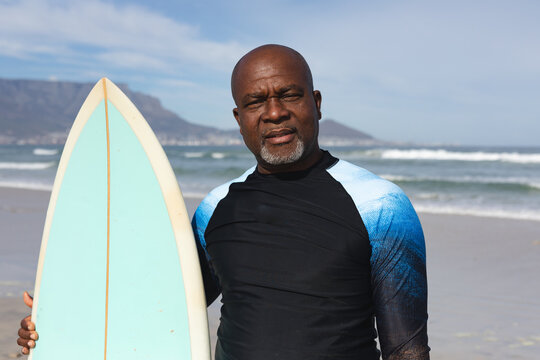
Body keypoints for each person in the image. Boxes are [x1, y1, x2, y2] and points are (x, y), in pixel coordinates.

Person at [18, 44, 429, 359]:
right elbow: (157, 307)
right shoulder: (215, 210)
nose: (274, 113)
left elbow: (405, 350)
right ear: (239, 119)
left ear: (316, 103)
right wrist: (60, 316)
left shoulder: (380, 205)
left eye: (289, 95)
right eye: (255, 102)